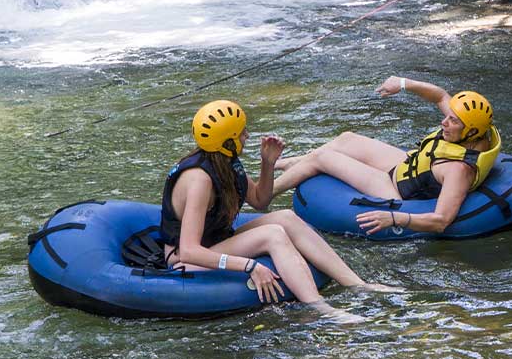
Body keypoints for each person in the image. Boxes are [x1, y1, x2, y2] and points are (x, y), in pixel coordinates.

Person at [162, 100, 396, 325]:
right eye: (242, 133)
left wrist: (268, 163)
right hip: (185, 260)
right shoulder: (199, 180)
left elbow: (260, 200)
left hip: (218, 241)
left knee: (285, 217)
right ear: (228, 142)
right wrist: (248, 266)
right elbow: (190, 252)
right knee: (272, 234)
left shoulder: (225, 161)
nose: (247, 136)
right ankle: (322, 309)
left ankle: (357, 284)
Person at [271, 77, 500, 236]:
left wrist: (395, 218)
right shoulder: (474, 130)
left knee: (323, 158)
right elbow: (440, 96)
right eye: (447, 116)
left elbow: (441, 221)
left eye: (452, 121)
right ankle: (294, 163)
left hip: (397, 191)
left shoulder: (459, 170)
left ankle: (267, 193)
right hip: (409, 166)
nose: (444, 122)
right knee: (347, 138)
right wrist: (402, 83)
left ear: (470, 131)